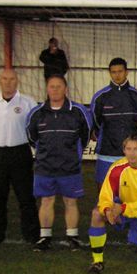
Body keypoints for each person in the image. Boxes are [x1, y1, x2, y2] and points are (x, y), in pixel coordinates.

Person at [26, 74, 92, 251]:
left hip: (70, 167)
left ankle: (72, 236)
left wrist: (73, 154)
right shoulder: (36, 113)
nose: (55, 90)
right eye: (51, 86)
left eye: (59, 86)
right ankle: (45, 237)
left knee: (70, 201)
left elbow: (85, 136)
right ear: (47, 89)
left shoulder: (77, 111)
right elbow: (32, 138)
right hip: (44, 167)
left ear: (65, 89)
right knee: (46, 201)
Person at [0, 69, 39, 246]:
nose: (8, 82)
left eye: (12, 79)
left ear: (17, 81)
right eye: (5, 79)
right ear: (0, 81)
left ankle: (32, 234)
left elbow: (34, 129)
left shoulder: (28, 103)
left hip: (21, 153)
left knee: (26, 197)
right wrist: (1, 140)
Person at [87, 134, 137, 274]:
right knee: (97, 214)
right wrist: (107, 210)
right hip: (122, 210)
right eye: (128, 149)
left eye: (136, 149)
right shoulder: (117, 168)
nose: (132, 153)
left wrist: (123, 208)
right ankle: (97, 261)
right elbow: (106, 194)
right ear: (123, 150)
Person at [90, 57, 137, 189]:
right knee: (104, 189)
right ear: (110, 73)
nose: (117, 75)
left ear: (126, 72)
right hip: (107, 151)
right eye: (113, 72)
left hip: (131, 154)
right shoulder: (100, 97)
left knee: (131, 191)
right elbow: (95, 123)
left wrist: (132, 143)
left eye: (120, 71)